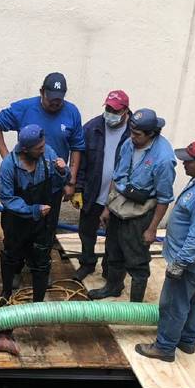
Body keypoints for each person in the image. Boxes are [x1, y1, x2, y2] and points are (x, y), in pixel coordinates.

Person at [135, 139, 195, 362]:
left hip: (189, 262)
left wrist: (179, 264)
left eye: (189, 161)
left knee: (173, 304)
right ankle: (187, 340)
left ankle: (165, 347)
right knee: (194, 300)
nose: (183, 164)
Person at [89, 108, 176, 302]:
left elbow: (164, 198)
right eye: (131, 131)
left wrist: (152, 229)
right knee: (113, 251)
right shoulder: (129, 144)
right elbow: (117, 176)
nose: (132, 136)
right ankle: (113, 286)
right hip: (118, 207)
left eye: (137, 134)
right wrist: (107, 206)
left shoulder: (163, 159)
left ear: (151, 133)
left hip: (139, 215)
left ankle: (135, 304)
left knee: (137, 261)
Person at [0, 72, 85, 210]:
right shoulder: (23, 108)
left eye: (59, 99)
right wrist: (7, 158)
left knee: (48, 224)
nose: (55, 103)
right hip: (25, 181)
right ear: (42, 92)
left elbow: (77, 146)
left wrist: (71, 182)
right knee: (21, 222)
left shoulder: (72, 112)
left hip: (54, 181)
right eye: (51, 98)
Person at [0, 124, 68, 304]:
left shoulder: (47, 154)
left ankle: (38, 303)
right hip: (16, 220)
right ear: (25, 149)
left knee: (42, 260)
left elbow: (59, 183)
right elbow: (7, 198)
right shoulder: (8, 166)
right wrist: (33, 210)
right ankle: (6, 292)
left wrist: (61, 171)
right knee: (11, 255)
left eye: (43, 145)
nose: (44, 150)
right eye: (39, 148)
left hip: (42, 221)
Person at [73, 89, 131, 282]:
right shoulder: (92, 128)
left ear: (125, 111)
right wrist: (78, 189)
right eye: (107, 108)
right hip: (93, 192)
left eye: (115, 110)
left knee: (114, 238)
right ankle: (87, 263)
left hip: (119, 197)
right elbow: (80, 161)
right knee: (86, 232)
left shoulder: (134, 132)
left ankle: (109, 269)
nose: (110, 114)